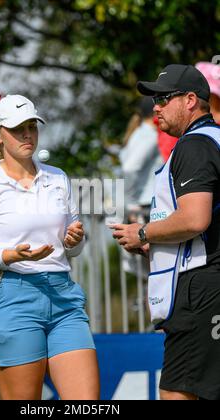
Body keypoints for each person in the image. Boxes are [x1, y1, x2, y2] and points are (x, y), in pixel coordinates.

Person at [0, 94, 99, 400]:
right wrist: (8, 256)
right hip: (10, 297)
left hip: (63, 295)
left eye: (32, 127)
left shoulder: (59, 178)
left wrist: (74, 241)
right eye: (18, 128)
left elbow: (72, 248)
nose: (27, 135)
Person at [111, 64, 220, 400]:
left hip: (202, 288)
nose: (155, 107)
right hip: (208, 277)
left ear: (190, 100)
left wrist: (144, 233)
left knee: (176, 394)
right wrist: (157, 245)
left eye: (163, 98)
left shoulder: (194, 144)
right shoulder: (213, 139)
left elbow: (194, 219)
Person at [120, 97, 163, 223]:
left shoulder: (137, 133)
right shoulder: (150, 136)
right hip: (146, 207)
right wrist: (131, 204)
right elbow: (129, 168)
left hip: (141, 205)